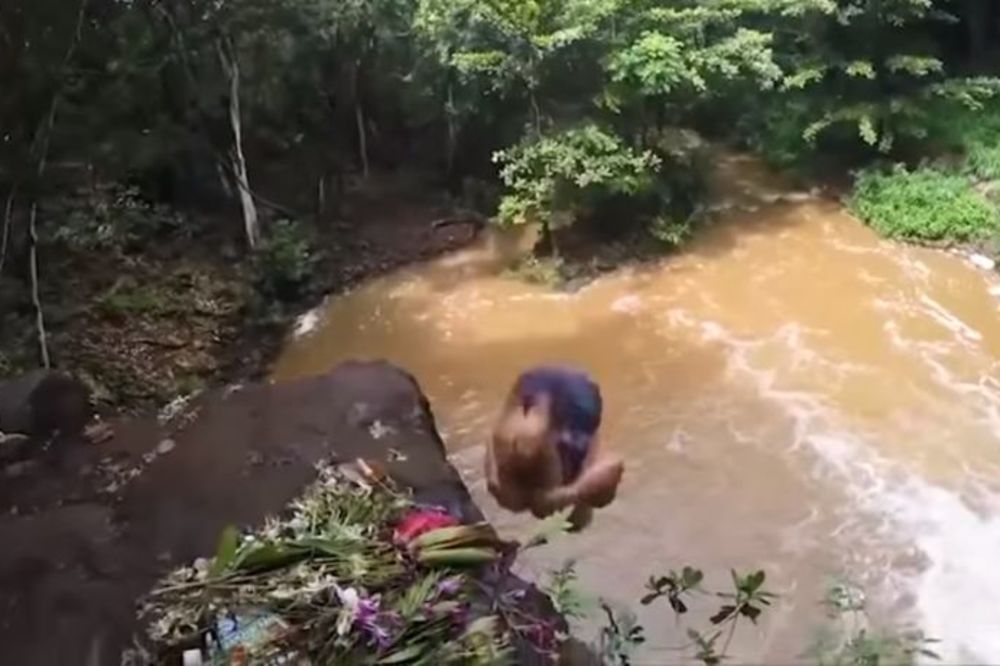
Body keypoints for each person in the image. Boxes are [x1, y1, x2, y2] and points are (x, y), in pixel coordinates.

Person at [486, 365, 624, 529]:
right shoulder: (515, 490)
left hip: (554, 397)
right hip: (565, 398)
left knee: (518, 493)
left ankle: (540, 411)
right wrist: (577, 495)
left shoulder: (513, 492)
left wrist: (577, 496)